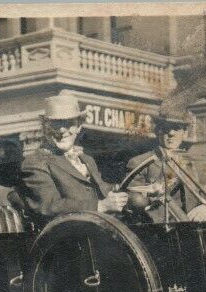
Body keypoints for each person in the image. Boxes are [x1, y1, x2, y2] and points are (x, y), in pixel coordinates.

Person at [16, 92, 128, 222]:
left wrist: (138, 191)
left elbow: (104, 190)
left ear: (79, 127)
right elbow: (50, 206)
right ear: (46, 128)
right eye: (56, 124)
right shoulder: (35, 162)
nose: (62, 131)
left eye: (69, 123)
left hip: (98, 228)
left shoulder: (87, 160)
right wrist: (100, 206)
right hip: (68, 237)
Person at [125, 118, 202, 221]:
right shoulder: (140, 163)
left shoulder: (193, 164)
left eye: (176, 128)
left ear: (185, 133)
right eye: (166, 128)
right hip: (158, 228)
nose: (171, 133)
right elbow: (133, 201)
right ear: (157, 132)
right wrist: (153, 196)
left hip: (192, 225)